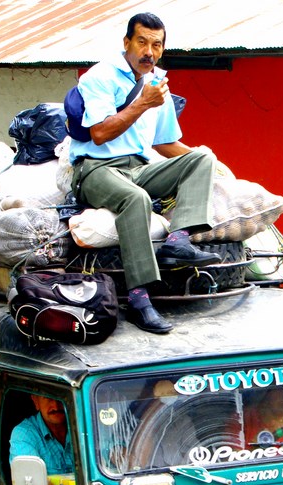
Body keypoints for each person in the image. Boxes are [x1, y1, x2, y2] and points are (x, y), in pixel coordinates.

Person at [69, 12, 218, 335]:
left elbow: (165, 143)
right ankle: (139, 299)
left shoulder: (158, 83)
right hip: (96, 168)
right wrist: (142, 103)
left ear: (162, 49)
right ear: (127, 43)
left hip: (139, 166)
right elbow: (99, 133)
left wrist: (212, 167)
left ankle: (177, 241)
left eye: (156, 45)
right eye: (141, 42)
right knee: (136, 199)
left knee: (202, 158)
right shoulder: (100, 77)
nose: (148, 52)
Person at [10, 395, 77, 485]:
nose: (56, 406)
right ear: (36, 401)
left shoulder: (84, 425)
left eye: (60, 397)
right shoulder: (24, 434)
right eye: (48, 397)